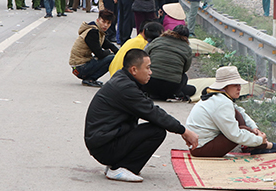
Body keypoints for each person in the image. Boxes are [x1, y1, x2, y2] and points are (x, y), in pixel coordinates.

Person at [84, 49, 199, 182]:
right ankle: (121, 168)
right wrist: (184, 131)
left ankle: (117, 164)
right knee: (156, 131)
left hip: (104, 142)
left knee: (153, 127)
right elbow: (153, 112)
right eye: (148, 68)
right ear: (134, 70)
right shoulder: (125, 88)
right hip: (104, 146)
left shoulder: (123, 79)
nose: (150, 72)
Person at [186, 66, 276, 157]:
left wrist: (254, 128)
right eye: (235, 85)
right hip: (200, 149)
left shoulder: (219, 97)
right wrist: (259, 140)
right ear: (225, 86)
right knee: (241, 130)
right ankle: (270, 146)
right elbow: (234, 135)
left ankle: (258, 146)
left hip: (199, 144)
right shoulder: (222, 103)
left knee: (238, 115)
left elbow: (241, 112)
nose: (239, 88)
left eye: (239, 85)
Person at [143, 25, 196, 101]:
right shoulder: (187, 49)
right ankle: (175, 94)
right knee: (186, 81)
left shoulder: (158, 40)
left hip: (149, 84)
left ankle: (152, 93)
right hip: (171, 88)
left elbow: (144, 56)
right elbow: (185, 69)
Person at [69, 9, 119, 87]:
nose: (105, 25)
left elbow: (108, 45)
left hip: (82, 66)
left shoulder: (99, 31)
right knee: (112, 58)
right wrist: (109, 52)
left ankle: (90, 78)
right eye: (103, 21)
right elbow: (100, 54)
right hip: (80, 67)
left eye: (108, 23)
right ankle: (90, 79)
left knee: (113, 56)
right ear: (98, 20)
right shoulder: (92, 32)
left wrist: (122, 53)